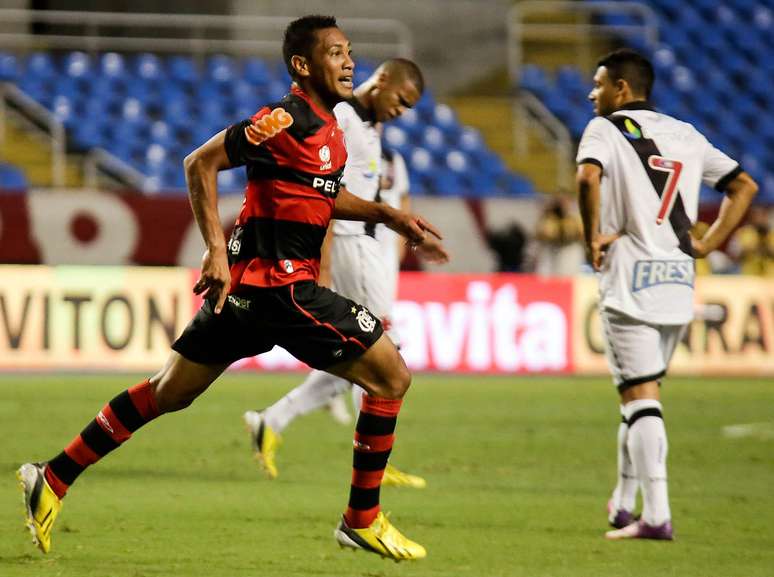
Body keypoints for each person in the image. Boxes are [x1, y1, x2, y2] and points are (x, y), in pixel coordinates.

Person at [17, 15, 447, 561]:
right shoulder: (282, 119)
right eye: (335, 53)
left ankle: (52, 475)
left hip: (245, 297)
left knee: (169, 391)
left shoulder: (331, 132)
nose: (348, 61)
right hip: (281, 289)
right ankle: (361, 519)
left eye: (349, 51)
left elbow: (319, 196)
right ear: (302, 65)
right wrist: (217, 251)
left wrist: (387, 214)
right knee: (391, 376)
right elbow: (200, 163)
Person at [576, 49, 758, 540]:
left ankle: (655, 514)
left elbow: (587, 176)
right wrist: (707, 244)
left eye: (598, 84)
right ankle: (623, 501)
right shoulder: (686, 134)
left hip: (630, 281)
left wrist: (591, 235)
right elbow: (744, 186)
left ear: (620, 88)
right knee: (641, 397)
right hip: (677, 282)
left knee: (640, 400)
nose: (592, 94)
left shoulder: (605, 129)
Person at [242, 62, 436, 490]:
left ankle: (271, 421)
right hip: (349, 244)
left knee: (362, 351)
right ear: (383, 81)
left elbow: (369, 192)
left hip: (367, 244)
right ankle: (372, 460)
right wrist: (324, 264)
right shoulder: (343, 118)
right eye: (402, 100)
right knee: (382, 352)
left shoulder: (370, 125)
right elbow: (324, 195)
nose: (403, 111)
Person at [727, 205, 774, 276]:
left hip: (770, 275)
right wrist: (746, 250)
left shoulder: (772, 234)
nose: (761, 219)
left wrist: (767, 248)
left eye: (763, 215)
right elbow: (732, 256)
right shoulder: (742, 233)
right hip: (749, 275)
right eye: (758, 215)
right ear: (752, 217)